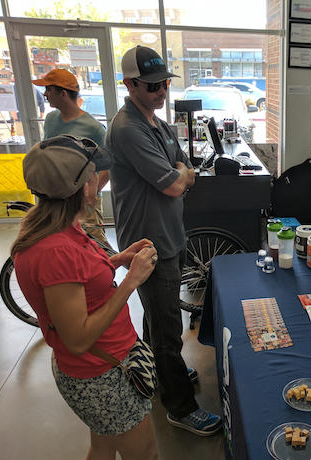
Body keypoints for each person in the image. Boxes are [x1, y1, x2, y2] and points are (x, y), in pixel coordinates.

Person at [12, 136, 158, 459]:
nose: (98, 178)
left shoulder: (56, 226)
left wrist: (118, 260)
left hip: (96, 367)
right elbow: (77, 339)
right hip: (101, 374)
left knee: (103, 448)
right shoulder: (56, 251)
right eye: (93, 173)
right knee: (146, 453)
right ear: (80, 187)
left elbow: (82, 279)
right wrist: (131, 282)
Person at [106, 45, 222, 436]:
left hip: (170, 233)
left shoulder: (158, 123)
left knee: (158, 315)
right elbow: (175, 183)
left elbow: (185, 167)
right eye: (152, 85)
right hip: (149, 242)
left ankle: (157, 370)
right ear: (130, 84)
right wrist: (180, 176)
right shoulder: (128, 129)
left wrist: (181, 175)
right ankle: (180, 406)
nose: (161, 91)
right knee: (168, 327)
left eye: (164, 84)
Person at [33, 69, 110, 245]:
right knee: (62, 244)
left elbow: (108, 167)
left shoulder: (93, 128)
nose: (45, 94)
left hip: (83, 201)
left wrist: (90, 195)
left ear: (63, 93)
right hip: (55, 198)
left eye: (49, 89)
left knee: (95, 245)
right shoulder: (51, 119)